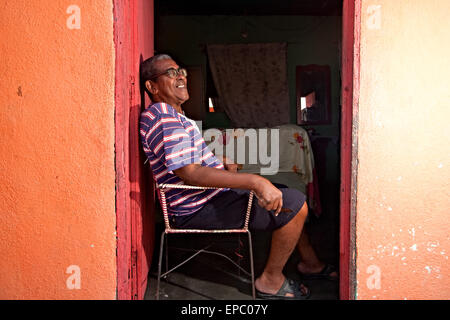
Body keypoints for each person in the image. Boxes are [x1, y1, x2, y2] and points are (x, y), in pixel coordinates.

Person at [139, 54, 336, 300]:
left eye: (181, 71)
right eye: (170, 72)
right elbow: (189, 173)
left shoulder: (173, 116)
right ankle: (270, 281)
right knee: (294, 205)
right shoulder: (164, 117)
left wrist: (218, 162)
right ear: (152, 86)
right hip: (197, 208)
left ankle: (309, 262)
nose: (180, 76)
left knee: (284, 192)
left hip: (208, 198)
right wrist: (255, 181)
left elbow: (185, 160)